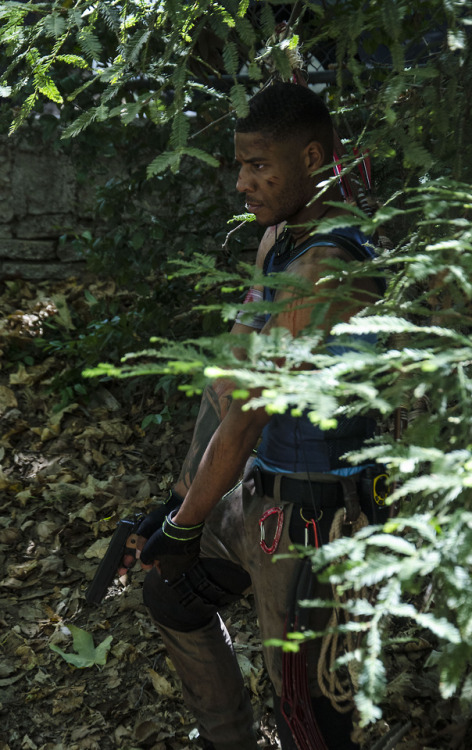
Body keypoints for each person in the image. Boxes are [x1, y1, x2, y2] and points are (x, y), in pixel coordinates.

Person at [131, 82, 382, 750]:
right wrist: (178, 502)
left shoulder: (329, 264)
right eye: (238, 164)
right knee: (169, 594)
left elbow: (246, 417)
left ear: (308, 157)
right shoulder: (278, 238)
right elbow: (229, 383)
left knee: (308, 713)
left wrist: (183, 528)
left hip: (315, 524)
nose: (241, 182)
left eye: (257, 165)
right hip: (256, 497)